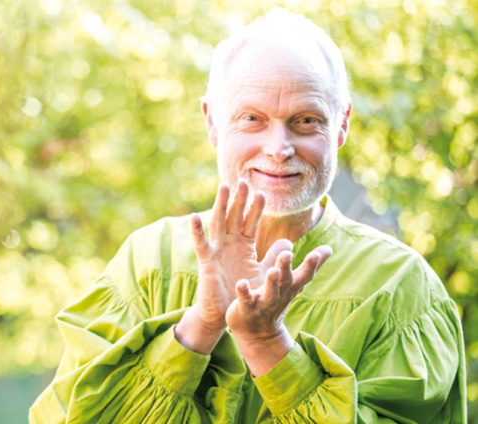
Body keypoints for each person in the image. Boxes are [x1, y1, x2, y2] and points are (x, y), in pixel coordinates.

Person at [30, 8, 466, 423]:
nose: (279, 148)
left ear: (343, 124)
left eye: (306, 120)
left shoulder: (401, 286)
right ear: (212, 121)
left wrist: (267, 344)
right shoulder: (147, 264)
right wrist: (200, 323)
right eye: (252, 118)